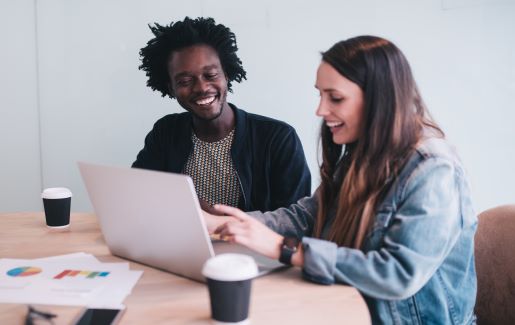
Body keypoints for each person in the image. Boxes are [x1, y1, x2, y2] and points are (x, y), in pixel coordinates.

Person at [205, 36, 477, 324]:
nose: (321, 110)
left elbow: (397, 275)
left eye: (335, 98)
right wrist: (220, 224)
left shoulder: (433, 170)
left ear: (379, 99)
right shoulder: (362, 152)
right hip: (345, 306)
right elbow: (307, 216)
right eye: (320, 95)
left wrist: (283, 248)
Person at [133, 17, 311, 213]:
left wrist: (222, 221)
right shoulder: (165, 132)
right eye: (185, 81)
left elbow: (296, 220)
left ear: (226, 75)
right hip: (180, 241)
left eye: (210, 75)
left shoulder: (278, 138)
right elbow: (139, 195)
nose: (201, 88)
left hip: (250, 243)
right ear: (171, 88)